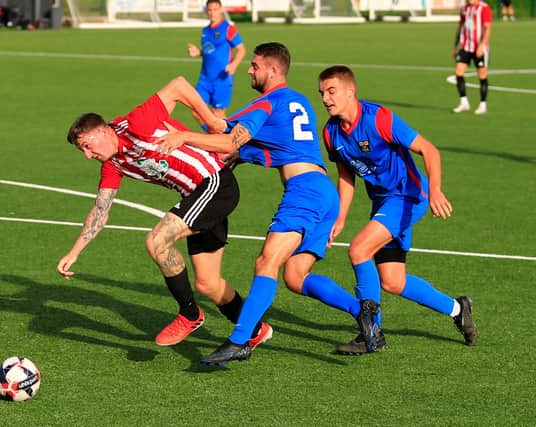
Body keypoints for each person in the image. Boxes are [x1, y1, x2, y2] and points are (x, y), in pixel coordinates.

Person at [157, 42, 375, 366]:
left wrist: (185, 135)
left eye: (254, 65)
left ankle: (240, 340)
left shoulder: (267, 103)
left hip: (304, 192)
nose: (249, 69)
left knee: (266, 263)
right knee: (295, 277)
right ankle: (364, 312)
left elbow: (228, 136)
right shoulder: (299, 102)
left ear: (273, 70)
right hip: (323, 191)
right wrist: (239, 156)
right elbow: (276, 148)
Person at [57, 76, 272, 350]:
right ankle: (255, 330)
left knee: (157, 240)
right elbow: (100, 210)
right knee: (208, 283)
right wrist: (74, 253)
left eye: (87, 146)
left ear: (102, 131)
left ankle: (190, 314)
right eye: (82, 151)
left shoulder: (137, 123)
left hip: (215, 184)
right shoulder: (114, 164)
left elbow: (179, 86)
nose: (87, 155)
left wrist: (213, 123)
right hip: (198, 198)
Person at [318, 65, 478, 354]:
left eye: (332, 91)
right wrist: (339, 217)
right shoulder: (331, 133)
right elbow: (346, 177)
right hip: (383, 203)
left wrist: (437, 190)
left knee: (358, 250)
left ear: (350, 91)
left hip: (408, 196)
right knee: (392, 281)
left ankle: (372, 332)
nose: (326, 99)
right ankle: (458, 309)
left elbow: (429, 150)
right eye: (322, 93)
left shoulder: (378, 119)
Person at [187, 0, 246, 127]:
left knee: (218, 114)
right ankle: (215, 138)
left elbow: (241, 49)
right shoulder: (205, 31)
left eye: (215, 9)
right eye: (210, 10)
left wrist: (234, 65)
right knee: (196, 112)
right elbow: (210, 51)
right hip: (205, 79)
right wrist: (199, 52)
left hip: (222, 79)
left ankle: (224, 141)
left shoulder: (228, 29)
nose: (212, 13)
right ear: (206, 11)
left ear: (220, 10)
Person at [452, 0, 492, 115]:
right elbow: (460, 26)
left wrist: (482, 45)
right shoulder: (464, 8)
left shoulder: (484, 8)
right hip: (466, 46)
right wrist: (455, 45)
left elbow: (487, 28)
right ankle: (464, 102)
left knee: (482, 75)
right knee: (459, 72)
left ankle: (483, 104)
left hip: (479, 47)